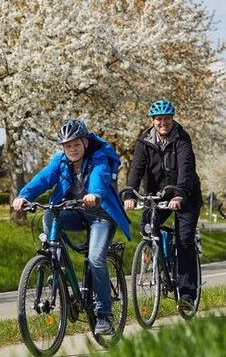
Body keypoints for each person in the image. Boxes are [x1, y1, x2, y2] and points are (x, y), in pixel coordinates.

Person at [13, 119, 131, 335]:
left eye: (76, 144)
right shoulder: (60, 162)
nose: (72, 149)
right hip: (75, 212)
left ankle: (104, 314)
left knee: (96, 258)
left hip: (100, 215)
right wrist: (23, 195)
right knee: (49, 215)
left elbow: (100, 177)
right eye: (68, 146)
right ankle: (56, 261)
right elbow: (43, 179)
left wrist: (94, 194)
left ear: (85, 142)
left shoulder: (98, 158)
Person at [123, 99, 202, 308]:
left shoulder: (182, 139)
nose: (163, 123)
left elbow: (186, 169)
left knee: (184, 239)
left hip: (186, 195)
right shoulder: (144, 142)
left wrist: (180, 194)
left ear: (172, 119)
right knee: (147, 225)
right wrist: (130, 194)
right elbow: (136, 170)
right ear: (152, 121)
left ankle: (187, 295)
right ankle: (162, 261)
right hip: (158, 196)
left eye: (166, 118)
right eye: (159, 119)